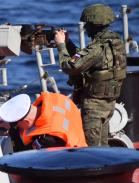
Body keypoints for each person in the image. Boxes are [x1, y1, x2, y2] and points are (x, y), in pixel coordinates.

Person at [54, 4, 127, 146]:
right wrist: (69, 43)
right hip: (108, 103)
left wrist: (61, 45)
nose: (85, 28)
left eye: (87, 24)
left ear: (94, 25)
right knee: (103, 145)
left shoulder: (97, 48)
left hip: (94, 106)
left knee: (92, 149)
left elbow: (69, 66)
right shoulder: (115, 41)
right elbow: (86, 58)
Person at [0, 92, 87, 152]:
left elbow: (23, 157)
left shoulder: (49, 138)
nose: (16, 126)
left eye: (15, 124)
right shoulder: (57, 97)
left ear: (27, 122)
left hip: (72, 165)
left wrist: (12, 131)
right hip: (78, 140)